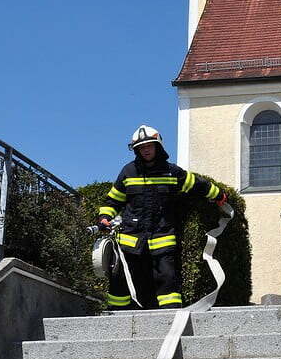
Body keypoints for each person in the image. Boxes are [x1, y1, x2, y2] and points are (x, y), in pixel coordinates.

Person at [96, 124, 226, 309]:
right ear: (136, 150)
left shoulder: (172, 172)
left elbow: (197, 184)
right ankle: (116, 315)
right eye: (141, 147)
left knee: (168, 279)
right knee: (120, 279)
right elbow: (113, 201)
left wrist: (219, 195)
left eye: (149, 146)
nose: (145, 150)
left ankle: (171, 316)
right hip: (131, 240)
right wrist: (104, 217)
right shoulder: (128, 172)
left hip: (163, 237)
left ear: (158, 146)